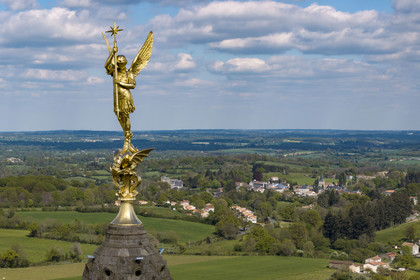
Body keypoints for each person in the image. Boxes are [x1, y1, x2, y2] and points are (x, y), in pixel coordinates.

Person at [105, 47, 138, 154]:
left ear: (125, 63)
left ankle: (127, 139)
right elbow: (106, 65)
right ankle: (127, 136)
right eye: (118, 63)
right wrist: (112, 53)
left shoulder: (129, 73)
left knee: (125, 115)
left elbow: (133, 85)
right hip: (116, 97)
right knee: (118, 114)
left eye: (121, 63)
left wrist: (120, 83)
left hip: (125, 96)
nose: (119, 65)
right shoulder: (115, 71)